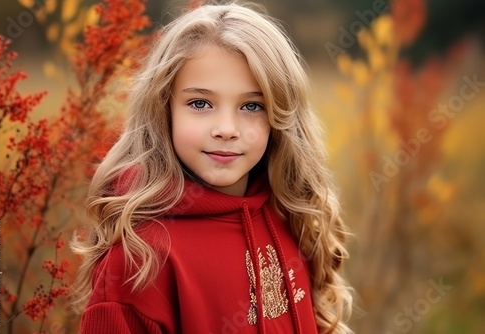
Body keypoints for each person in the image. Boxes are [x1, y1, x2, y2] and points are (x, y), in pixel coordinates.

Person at [72, 3, 353, 334]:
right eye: (200, 103)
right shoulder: (141, 257)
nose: (226, 128)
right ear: (164, 109)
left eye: (252, 105)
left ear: (280, 116)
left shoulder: (292, 215)